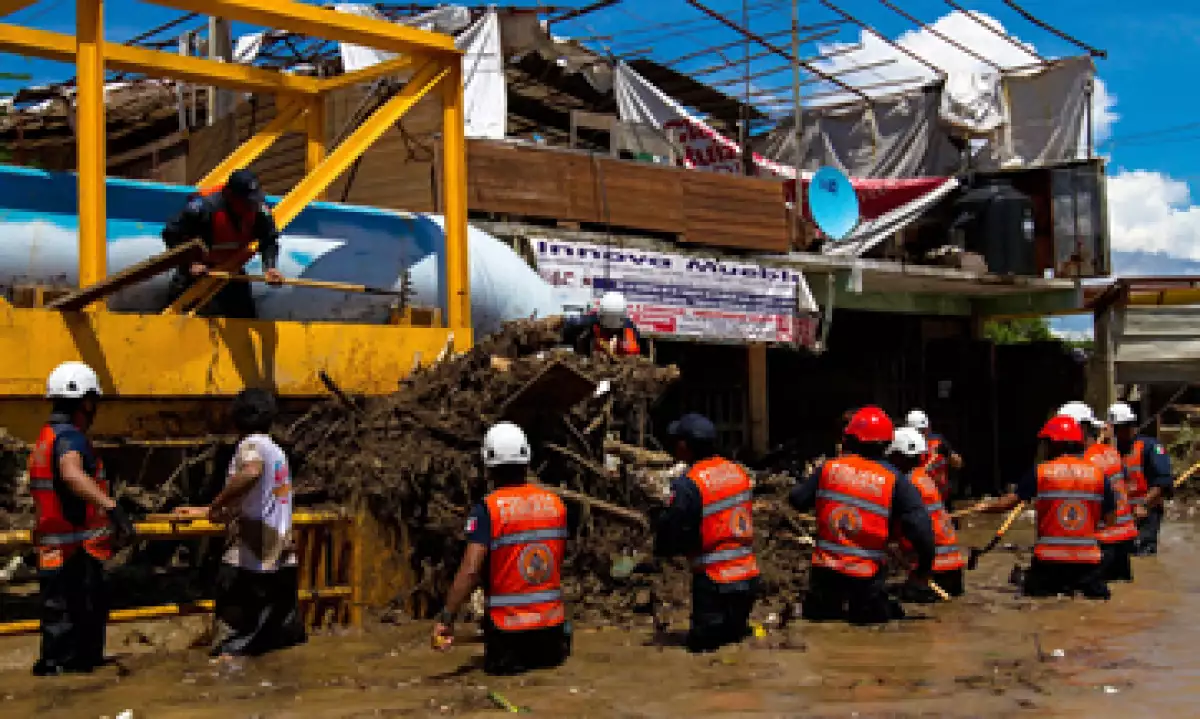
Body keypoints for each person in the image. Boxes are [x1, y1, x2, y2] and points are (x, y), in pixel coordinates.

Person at [175, 388, 305, 662]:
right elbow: (250, 502)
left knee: (231, 647)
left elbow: (250, 472)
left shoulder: (251, 446)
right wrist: (205, 511)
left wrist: (218, 501)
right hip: (282, 559)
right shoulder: (277, 451)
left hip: (251, 561)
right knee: (273, 647)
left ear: (235, 419)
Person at [433, 422, 571, 674]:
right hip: (552, 637)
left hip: (509, 637)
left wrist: (447, 618)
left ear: (488, 466)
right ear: (527, 460)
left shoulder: (489, 509)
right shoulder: (556, 505)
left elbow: (471, 570)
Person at [29, 361, 135, 676]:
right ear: (86, 402)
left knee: (58, 640)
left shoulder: (46, 436)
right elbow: (72, 474)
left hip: (56, 555)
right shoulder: (71, 439)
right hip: (76, 558)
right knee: (76, 649)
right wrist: (113, 508)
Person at [789, 406, 935, 624]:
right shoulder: (895, 481)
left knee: (822, 629)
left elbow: (797, 500)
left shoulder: (829, 469)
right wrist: (922, 570)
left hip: (825, 574)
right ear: (887, 444)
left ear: (851, 439)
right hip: (866, 579)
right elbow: (922, 531)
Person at [652, 413, 760, 652]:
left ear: (684, 446)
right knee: (734, 642)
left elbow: (675, 527)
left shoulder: (690, 483)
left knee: (703, 649)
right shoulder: (738, 473)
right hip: (747, 577)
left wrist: (660, 549)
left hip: (714, 582)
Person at [978, 415, 1115, 600]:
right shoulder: (1098, 475)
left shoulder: (1041, 472)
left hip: (1049, 563)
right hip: (1088, 564)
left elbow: (1009, 502)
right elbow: (1110, 520)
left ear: (1055, 443)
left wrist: (985, 507)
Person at [162, 168, 284, 318]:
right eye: (245, 202)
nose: (251, 206)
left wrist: (270, 267)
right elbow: (171, 233)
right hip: (197, 272)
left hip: (230, 270)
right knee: (176, 318)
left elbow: (269, 239)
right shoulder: (202, 209)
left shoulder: (259, 211)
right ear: (229, 196)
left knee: (244, 315)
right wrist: (190, 264)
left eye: (253, 201)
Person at [1059, 402, 1137, 581]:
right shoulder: (1112, 452)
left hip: (1102, 540)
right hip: (1124, 536)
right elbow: (1126, 485)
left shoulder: (1084, 463)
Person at [888, 427, 966, 600]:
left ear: (898, 456)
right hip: (953, 572)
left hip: (933, 574)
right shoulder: (923, 478)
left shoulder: (906, 485)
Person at [1108, 402, 1174, 556]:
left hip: (1146, 511)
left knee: (1144, 554)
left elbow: (1163, 481)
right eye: (1116, 428)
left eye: (1123, 427)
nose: (1120, 432)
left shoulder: (1150, 447)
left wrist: (1144, 504)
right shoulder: (1111, 452)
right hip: (1123, 515)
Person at [557, 291, 643, 357]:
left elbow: (635, 354)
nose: (610, 331)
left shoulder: (630, 329)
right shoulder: (588, 322)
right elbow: (568, 326)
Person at [905, 409, 963, 505]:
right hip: (922, 500)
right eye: (920, 431)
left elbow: (959, 464)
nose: (924, 433)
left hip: (943, 499)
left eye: (925, 429)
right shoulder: (907, 448)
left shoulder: (938, 441)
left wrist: (949, 454)